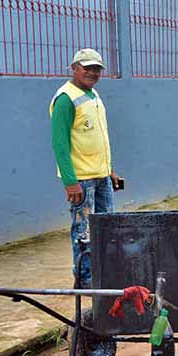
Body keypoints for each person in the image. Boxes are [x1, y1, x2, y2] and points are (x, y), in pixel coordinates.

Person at [49, 48, 122, 288]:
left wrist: (109, 170)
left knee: (107, 228)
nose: (92, 73)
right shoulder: (65, 99)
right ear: (75, 68)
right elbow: (60, 144)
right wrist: (70, 182)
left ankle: (105, 276)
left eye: (97, 69)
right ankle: (86, 281)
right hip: (82, 181)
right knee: (84, 233)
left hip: (101, 177)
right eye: (87, 68)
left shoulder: (93, 95)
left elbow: (99, 138)